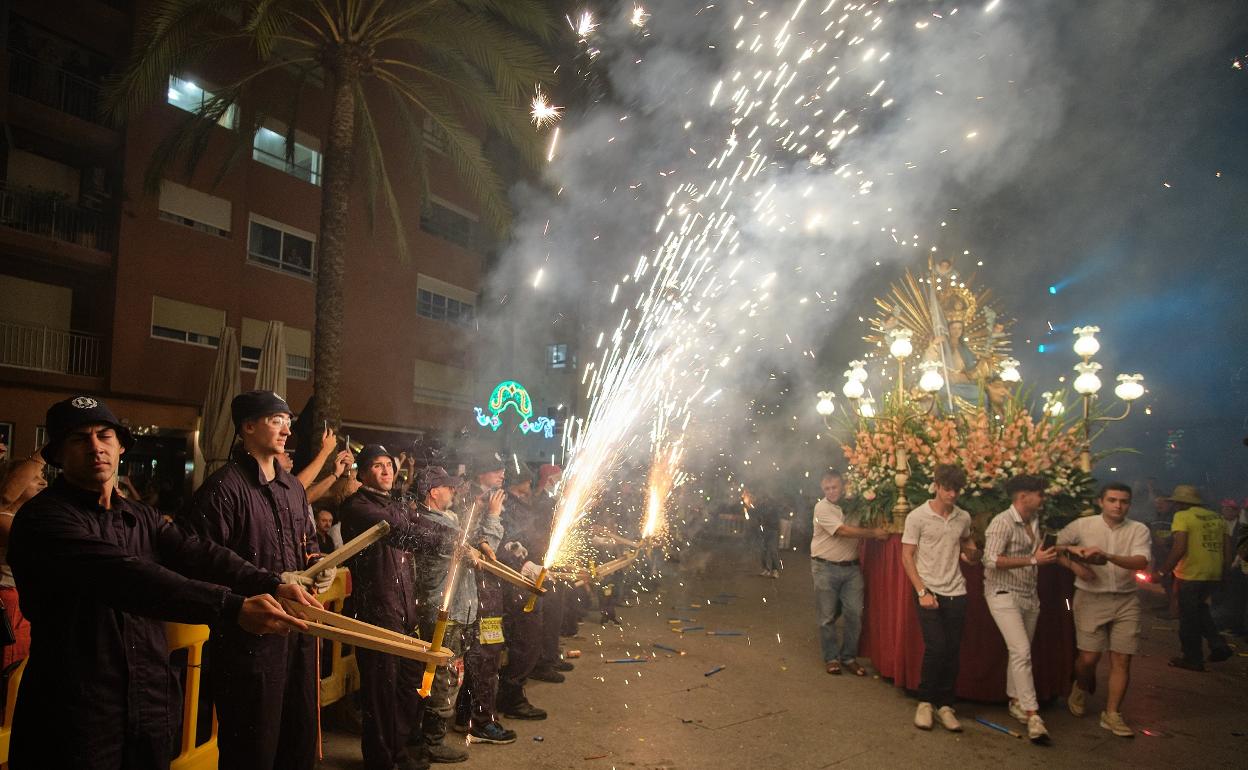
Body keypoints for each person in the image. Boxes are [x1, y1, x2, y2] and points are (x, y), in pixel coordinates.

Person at [7, 395, 317, 769]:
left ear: (121, 445)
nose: (95, 447)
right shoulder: (45, 519)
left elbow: (197, 551)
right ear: (57, 453)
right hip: (77, 703)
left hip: (149, 699)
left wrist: (271, 582)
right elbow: (128, 577)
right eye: (78, 439)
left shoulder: (140, 517)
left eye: (104, 435)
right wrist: (232, 607)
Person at [185, 390, 335, 770]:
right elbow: (204, 559)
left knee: (297, 738)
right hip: (248, 642)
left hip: (297, 636)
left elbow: (309, 541)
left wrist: (317, 564)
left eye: (287, 420)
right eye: (275, 420)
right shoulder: (224, 488)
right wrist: (268, 581)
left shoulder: (292, 488)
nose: (286, 428)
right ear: (248, 427)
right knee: (253, 747)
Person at [340, 446, 452, 770]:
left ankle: (397, 754)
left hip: (403, 610)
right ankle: (380, 761)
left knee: (409, 685)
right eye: (377, 465)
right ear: (362, 474)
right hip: (376, 611)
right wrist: (445, 543)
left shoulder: (396, 504)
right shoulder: (358, 507)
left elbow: (425, 522)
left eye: (389, 464)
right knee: (380, 694)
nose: (387, 471)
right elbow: (403, 532)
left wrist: (459, 535)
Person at [412, 462, 506, 759]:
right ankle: (431, 741)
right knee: (444, 676)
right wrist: (493, 517)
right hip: (446, 612)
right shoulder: (433, 523)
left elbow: (468, 537)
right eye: (448, 487)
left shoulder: (442, 517)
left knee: (450, 674)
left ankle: (429, 736)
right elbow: (482, 546)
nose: (453, 491)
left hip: (456, 610)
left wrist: (478, 515)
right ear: (433, 492)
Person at [1056, 482, 1152, 737]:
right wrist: (1074, 564)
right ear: (1101, 502)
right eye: (1112, 500)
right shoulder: (1082, 525)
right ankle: (1079, 684)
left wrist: (1107, 556)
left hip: (1126, 599)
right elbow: (1054, 547)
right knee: (1089, 658)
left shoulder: (1138, 530)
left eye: (1123, 501)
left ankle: (1112, 713)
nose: (1118, 505)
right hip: (1090, 597)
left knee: (1122, 658)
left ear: (1129, 504)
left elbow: (1141, 561)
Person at [900, 463, 979, 732]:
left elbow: (967, 544)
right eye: (947, 489)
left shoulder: (963, 517)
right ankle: (925, 701)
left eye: (957, 490)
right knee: (937, 647)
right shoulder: (917, 517)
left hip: (956, 589)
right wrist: (922, 591)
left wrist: (971, 552)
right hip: (928, 588)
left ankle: (946, 705)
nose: (952, 495)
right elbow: (907, 556)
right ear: (936, 486)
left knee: (953, 650)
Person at [982, 474, 1055, 742]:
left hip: (1029, 594)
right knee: (1022, 651)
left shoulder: (1034, 521)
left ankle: (1015, 701)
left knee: (1020, 652)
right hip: (1002, 593)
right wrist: (1032, 560)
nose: (1043, 498)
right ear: (1023, 496)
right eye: (1039, 493)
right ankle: (1033, 714)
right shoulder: (1002, 521)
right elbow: (989, 560)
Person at [810, 470, 886, 676]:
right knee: (826, 616)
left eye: (834, 487)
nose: (831, 492)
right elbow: (842, 531)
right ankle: (831, 658)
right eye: (827, 488)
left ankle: (849, 657)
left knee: (855, 614)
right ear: (822, 489)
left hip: (851, 568)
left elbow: (868, 518)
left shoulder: (854, 506)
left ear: (842, 486)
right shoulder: (821, 507)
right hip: (825, 567)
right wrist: (873, 534)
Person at [1159, 484, 1232, 670]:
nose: (1175, 506)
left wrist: (1163, 571)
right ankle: (1218, 645)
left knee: (1188, 618)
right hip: (1214, 573)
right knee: (1200, 609)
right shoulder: (1218, 517)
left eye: (1176, 503)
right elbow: (1228, 549)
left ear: (1181, 503)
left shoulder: (1183, 517)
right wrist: (1225, 573)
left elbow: (1179, 547)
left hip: (1191, 573)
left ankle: (1193, 658)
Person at [0, 450, 49, 668]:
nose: (44, 482)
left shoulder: (24, 516)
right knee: (11, 665)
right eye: (35, 478)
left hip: (22, 599)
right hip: (9, 601)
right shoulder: (3, 519)